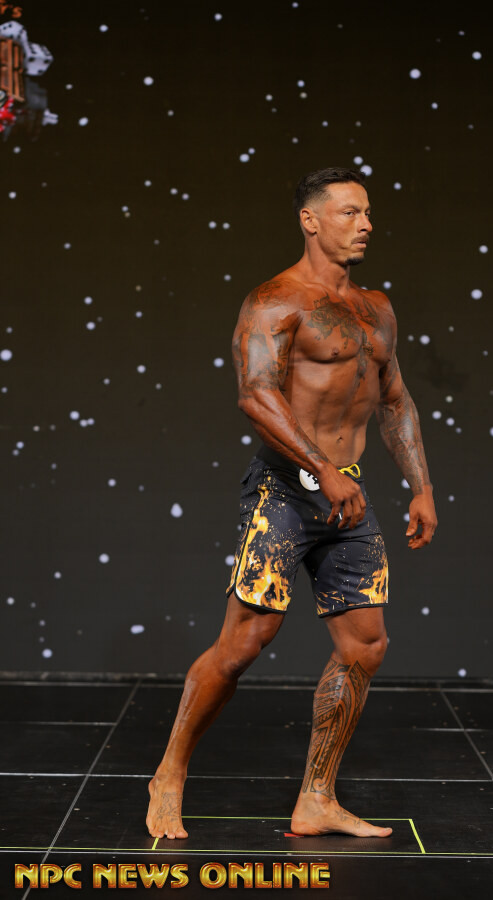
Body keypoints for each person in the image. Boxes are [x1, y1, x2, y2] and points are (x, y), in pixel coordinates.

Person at [146, 166, 437, 841]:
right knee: (244, 642)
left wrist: (421, 485)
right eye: (348, 212)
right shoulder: (275, 301)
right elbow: (256, 395)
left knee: (366, 645)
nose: (365, 225)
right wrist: (322, 469)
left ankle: (317, 797)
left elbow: (395, 400)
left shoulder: (378, 307)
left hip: (348, 494)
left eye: (367, 212)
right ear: (310, 220)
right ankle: (170, 772)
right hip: (285, 490)